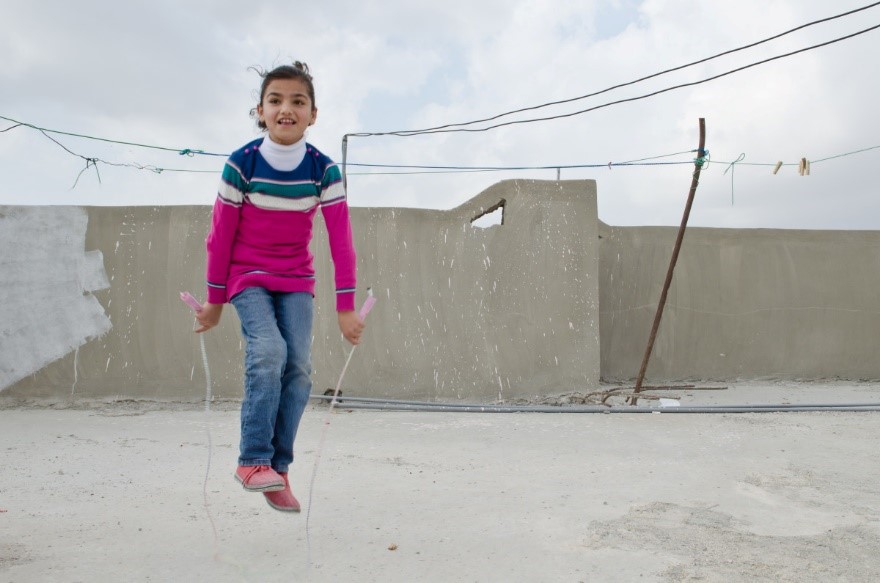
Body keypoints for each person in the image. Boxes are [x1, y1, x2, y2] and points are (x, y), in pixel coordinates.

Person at [194, 61, 364, 513]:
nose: (286, 108)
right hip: (246, 277)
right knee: (268, 351)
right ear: (260, 111)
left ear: (313, 114)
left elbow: (341, 242)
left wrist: (345, 307)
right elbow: (219, 236)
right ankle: (252, 460)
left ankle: (278, 469)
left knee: (300, 367)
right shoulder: (241, 164)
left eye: (297, 101)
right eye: (276, 100)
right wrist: (213, 302)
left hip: (295, 279)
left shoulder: (323, 171)